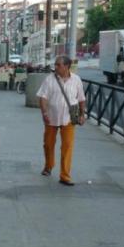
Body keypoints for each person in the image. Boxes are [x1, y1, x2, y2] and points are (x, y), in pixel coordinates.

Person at [37, 55, 86, 186]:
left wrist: (82, 114)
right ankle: (49, 165)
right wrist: (44, 112)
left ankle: (65, 175)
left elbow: (81, 98)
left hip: (69, 118)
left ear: (66, 66)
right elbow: (43, 97)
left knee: (68, 146)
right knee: (48, 144)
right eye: (56, 64)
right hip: (51, 117)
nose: (56, 67)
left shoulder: (76, 80)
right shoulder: (49, 79)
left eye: (58, 65)